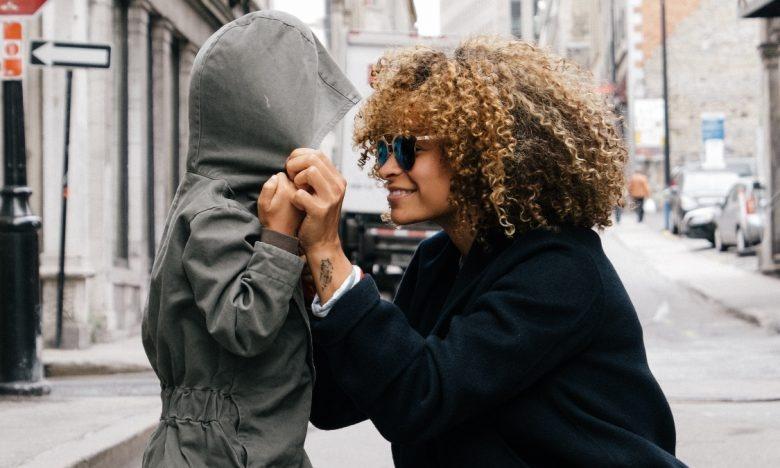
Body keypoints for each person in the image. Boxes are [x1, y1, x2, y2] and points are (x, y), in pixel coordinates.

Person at [281, 38, 685, 467]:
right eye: (382, 148)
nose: (385, 167)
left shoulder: (561, 270)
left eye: (407, 148)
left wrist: (330, 252)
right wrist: (312, 282)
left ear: (476, 151)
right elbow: (336, 403)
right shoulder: (438, 261)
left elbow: (420, 397)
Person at [140, 11, 359, 467]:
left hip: (251, 443)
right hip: (218, 451)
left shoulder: (242, 200)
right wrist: (277, 240)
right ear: (268, 116)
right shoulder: (216, 210)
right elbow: (244, 325)